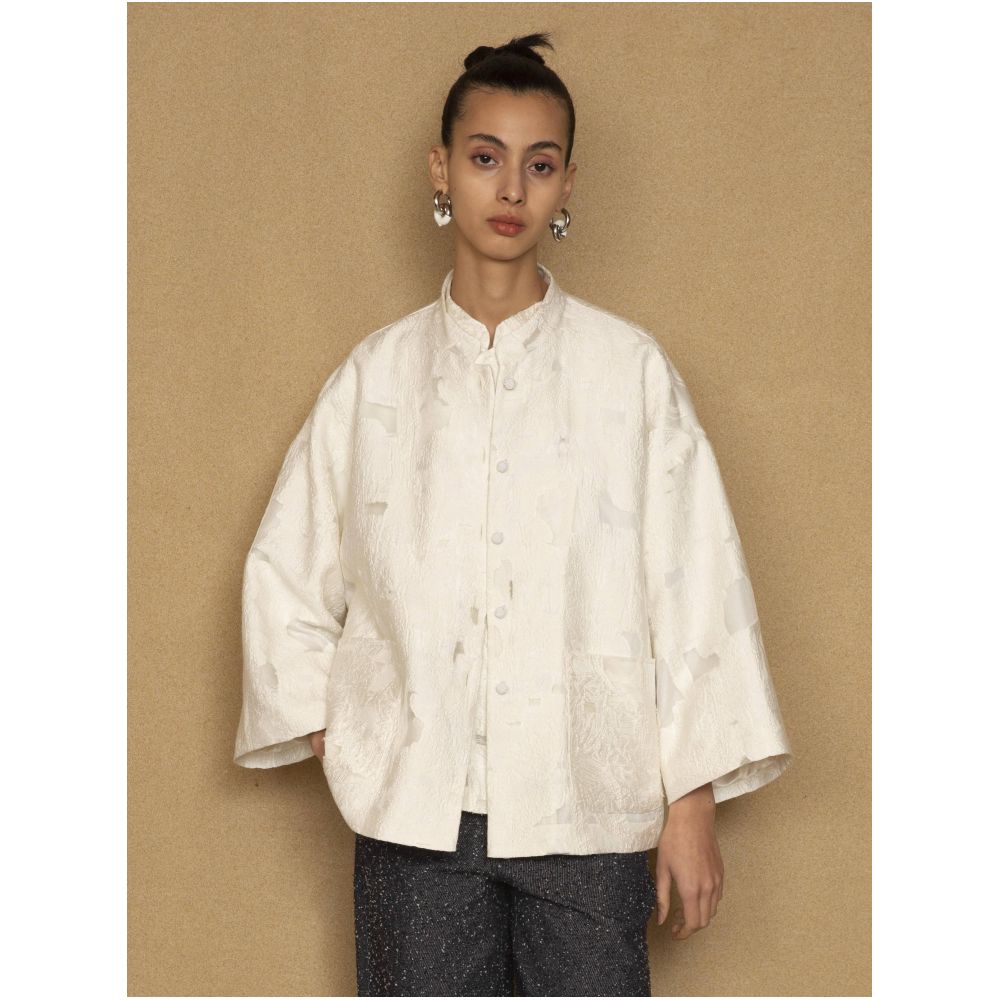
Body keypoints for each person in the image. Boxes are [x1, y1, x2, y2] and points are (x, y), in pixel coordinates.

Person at [234, 32, 794, 997]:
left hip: (589, 809)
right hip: (415, 825)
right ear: (441, 169)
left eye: (538, 165)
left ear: (568, 183)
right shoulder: (376, 378)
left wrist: (692, 804)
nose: (510, 188)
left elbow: (695, 584)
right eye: (485, 157)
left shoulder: (628, 374)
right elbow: (284, 573)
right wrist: (354, 734)